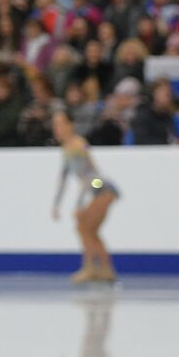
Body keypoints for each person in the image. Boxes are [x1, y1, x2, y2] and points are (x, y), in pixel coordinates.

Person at [50, 110, 120, 283]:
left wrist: (80, 204)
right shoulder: (67, 149)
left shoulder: (79, 145)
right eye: (55, 125)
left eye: (60, 124)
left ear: (70, 125)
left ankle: (91, 268)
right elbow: (64, 179)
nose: (57, 129)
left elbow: (91, 175)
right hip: (97, 188)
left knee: (85, 228)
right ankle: (104, 269)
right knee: (88, 230)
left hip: (101, 187)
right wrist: (56, 204)